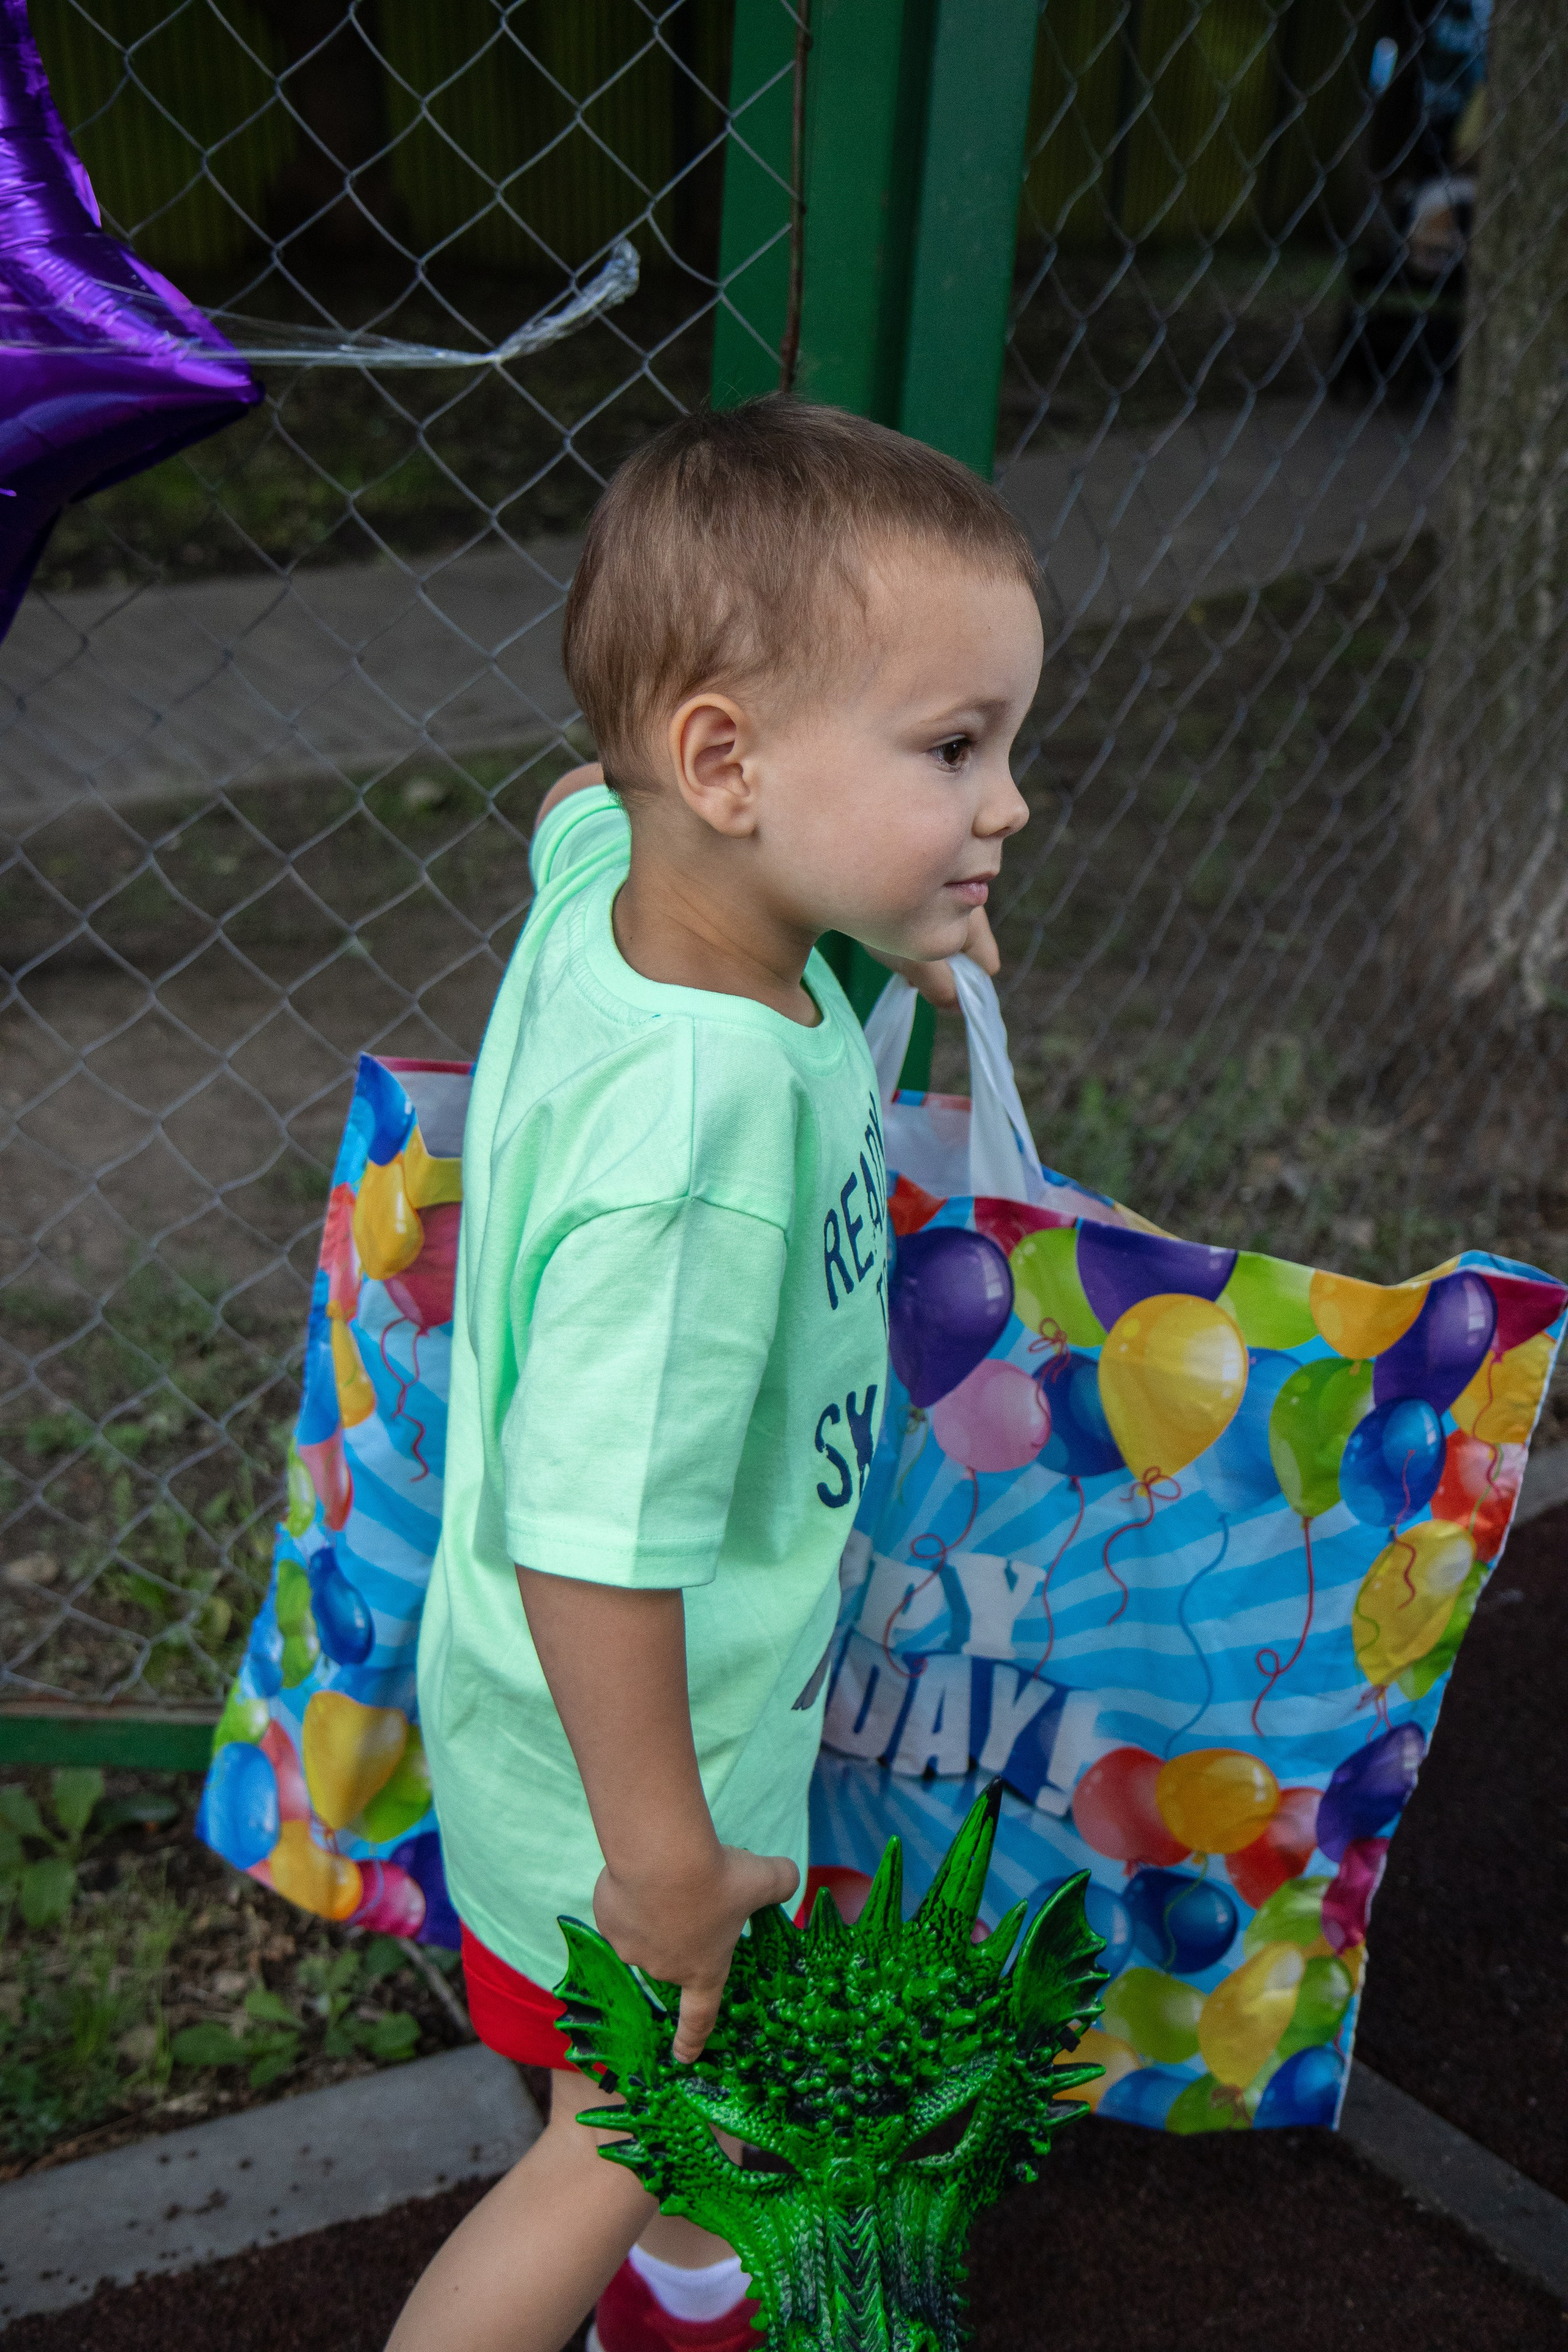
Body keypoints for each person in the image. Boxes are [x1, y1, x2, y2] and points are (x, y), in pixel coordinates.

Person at [388, 397, 1043, 2352]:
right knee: (616, 2119)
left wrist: (875, 912)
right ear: (725, 760)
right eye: (953, 752)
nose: (1007, 806)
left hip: (571, 1732)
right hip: (622, 1786)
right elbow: (600, 1533)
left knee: (658, 2121)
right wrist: (665, 1866)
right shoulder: (700, 1154)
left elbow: (574, 804)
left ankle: (694, 2278)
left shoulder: (620, 864)